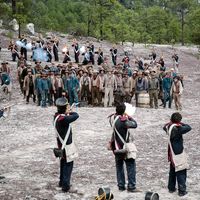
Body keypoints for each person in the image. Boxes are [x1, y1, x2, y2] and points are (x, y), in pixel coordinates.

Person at [110, 103, 138, 192]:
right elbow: (135, 124)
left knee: (119, 167)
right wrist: (128, 116)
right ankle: (131, 186)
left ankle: (121, 186)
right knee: (130, 166)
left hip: (116, 146)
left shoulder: (112, 118)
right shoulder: (124, 121)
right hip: (125, 146)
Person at [54, 97, 79, 193]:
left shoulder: (57, 116)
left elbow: (64, 116)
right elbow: (76, 115)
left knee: (63, 163)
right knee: (68, 165)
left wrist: (66, 111)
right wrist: (70, 111)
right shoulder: (63, 119)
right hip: (66, 146)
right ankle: (66, 186)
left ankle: (62, 181)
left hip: (61, 145)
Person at [163, 112, 192, 197]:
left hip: (171, 152)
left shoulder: (168, 127)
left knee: (172, 170)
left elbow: (164, 126)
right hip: (177, 152)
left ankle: (171, 187)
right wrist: (180, 123)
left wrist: (173, 122)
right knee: (181, 170)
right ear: (178, 121)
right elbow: (188, 127)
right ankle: (182, 190)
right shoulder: (178, 129)